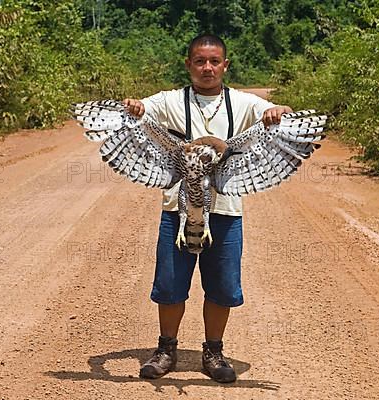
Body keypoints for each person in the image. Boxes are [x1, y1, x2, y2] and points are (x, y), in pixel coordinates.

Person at [123, 34, 292, 383]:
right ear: (188, 65)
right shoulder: (170, 101)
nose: (207, 68)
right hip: (178, 211)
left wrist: (279, 112)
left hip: (226, 212)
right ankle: (166, 349)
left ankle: (213, 352)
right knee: (170, 285)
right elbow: (138, 109)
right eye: (200, 61)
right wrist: (135, 107)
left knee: (223, 287)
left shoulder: (244, 104)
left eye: (214, 61)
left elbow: (283, 116)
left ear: (225, 65)